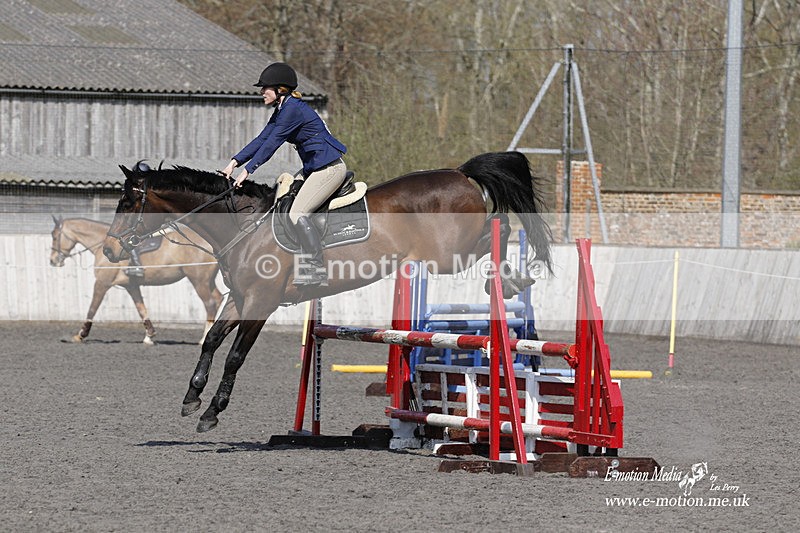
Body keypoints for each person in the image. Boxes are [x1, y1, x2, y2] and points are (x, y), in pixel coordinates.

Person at [222, 62, 347, 287]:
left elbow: (272, 144)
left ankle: (315, 269)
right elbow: (261, 139)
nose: (261, 92)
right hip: (314, 169)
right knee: (282, 201)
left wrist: (248, 170)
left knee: (297, 214)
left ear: (280, 89)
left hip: (329, 170)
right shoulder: (283, 108)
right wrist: (234, 162)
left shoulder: (293, 109)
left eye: (265, 88)